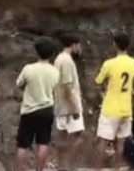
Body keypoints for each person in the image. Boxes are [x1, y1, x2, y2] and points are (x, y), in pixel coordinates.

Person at [14, 37, 60, 171]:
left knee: (23, 144)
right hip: (47, 109)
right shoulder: (55, 71)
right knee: (43, 142)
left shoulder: (28, 69)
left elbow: (19, 84)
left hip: (29, 110)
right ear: (52, 54)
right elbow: (55, 89)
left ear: (36, 52)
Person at [94, 32, 134, 169]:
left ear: (114, 45)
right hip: (126, 107)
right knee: (121, 142)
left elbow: (98, 80)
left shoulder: (109, 64)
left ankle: (98, 168)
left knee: (103, 140)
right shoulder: (133, 63)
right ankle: (116, 168)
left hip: (111, 107)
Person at [53, 33, 84, 171]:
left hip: (60, 104)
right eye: (79, 45)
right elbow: (67, 86)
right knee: (79, 136)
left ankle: (61, 165)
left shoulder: (59, 59)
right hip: (69, 106)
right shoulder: (67, 61)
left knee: (62, 135)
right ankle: (68, 166)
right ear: (73, 45)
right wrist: (75, 107)